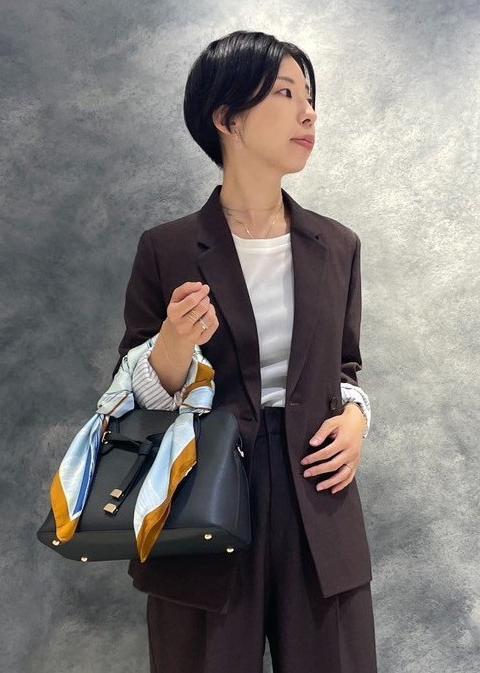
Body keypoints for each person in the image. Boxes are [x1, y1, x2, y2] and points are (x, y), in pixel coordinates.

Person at [113, 30, 377, 673]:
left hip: (318, 493)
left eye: (310, 96)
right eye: (285, 93)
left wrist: (356, 419)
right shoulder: (167, 249)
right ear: (227, 117)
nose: (308, 113)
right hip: (202, 499)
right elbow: (128, 401)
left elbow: (343, 369)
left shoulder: (337, 246)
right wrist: (174, 342)